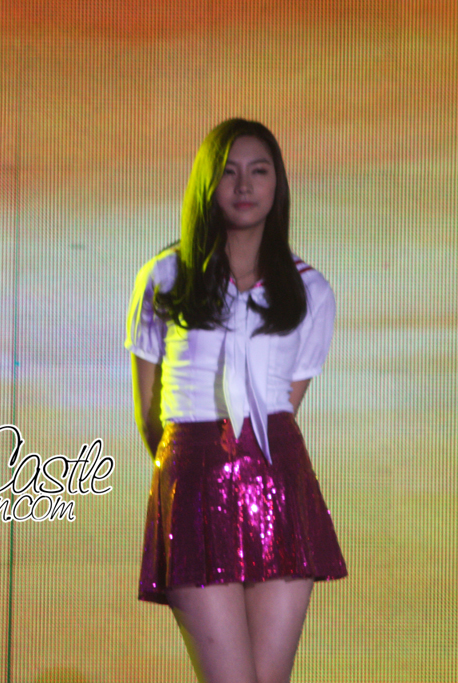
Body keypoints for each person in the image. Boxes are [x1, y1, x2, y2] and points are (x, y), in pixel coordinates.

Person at [125, 118, 347, 683]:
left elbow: (286, 406)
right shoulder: (166, 276)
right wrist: (193, 469)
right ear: (207, 184)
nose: (244, 185)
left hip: (278, 483)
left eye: (259, 171)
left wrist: (254, 468)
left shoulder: (310, 289)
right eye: (228, 172)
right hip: (193, 479)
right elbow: (149, 412)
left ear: (277, 184)